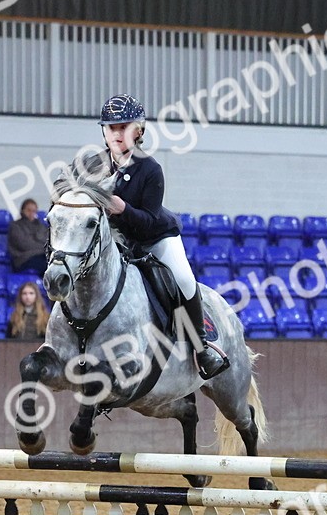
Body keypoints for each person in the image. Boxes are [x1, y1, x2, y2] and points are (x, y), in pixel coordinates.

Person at [95, 93, 228, 380]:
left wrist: (122, 208)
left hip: (154, 237)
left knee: (184, 279)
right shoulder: (94, 166)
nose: (116, 133)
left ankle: (201, 347)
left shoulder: (150, 169)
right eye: (111, 127)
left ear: (138, 130)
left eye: (123, 127)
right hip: (116, 242)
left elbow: (148, 221)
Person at [8, 198, 49, 274]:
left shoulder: (41, 226)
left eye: (34, 211)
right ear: (22, 210)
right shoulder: (15, 226)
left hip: (42, 257)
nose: (31, 213)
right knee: (46, 266)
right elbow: (24, 245)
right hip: (24, 260)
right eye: (29, 210)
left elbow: (47, 243)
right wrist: (41, 248)